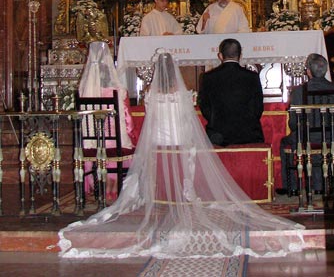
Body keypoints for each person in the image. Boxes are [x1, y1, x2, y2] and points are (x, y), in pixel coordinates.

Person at [59, 50, 305, 259]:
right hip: (179, 140)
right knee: (193, 142)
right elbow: (189, 122)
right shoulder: (183, 95)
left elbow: (143, 123)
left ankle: (151, 190)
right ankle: (189, 187)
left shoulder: (150, 96)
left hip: (157, 142)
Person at [277, 53, 334, 196]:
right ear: (326, 70)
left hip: (305, 138)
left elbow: (294, 123)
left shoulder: (298, 92)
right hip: (331, 137)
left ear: (308, 71)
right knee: (320, 143)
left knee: (284, 143)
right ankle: (322, 186)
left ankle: (293, 188)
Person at [78, 41, 137, 198]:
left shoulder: (84, 91)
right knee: (120, 144)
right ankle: (113, 184)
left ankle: (97, 184)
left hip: (90, 142)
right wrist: (132, 136)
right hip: (113, 143)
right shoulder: (118, 91)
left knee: (102, 145)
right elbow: (127, 121)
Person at [198, 38, 264, 146]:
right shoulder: (252, 77)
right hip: (248, 135)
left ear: (220, 56)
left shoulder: (208, 77)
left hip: (218, 135)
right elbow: (258, 108)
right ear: (240, 55)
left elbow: (204, 106)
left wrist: (216, 121)